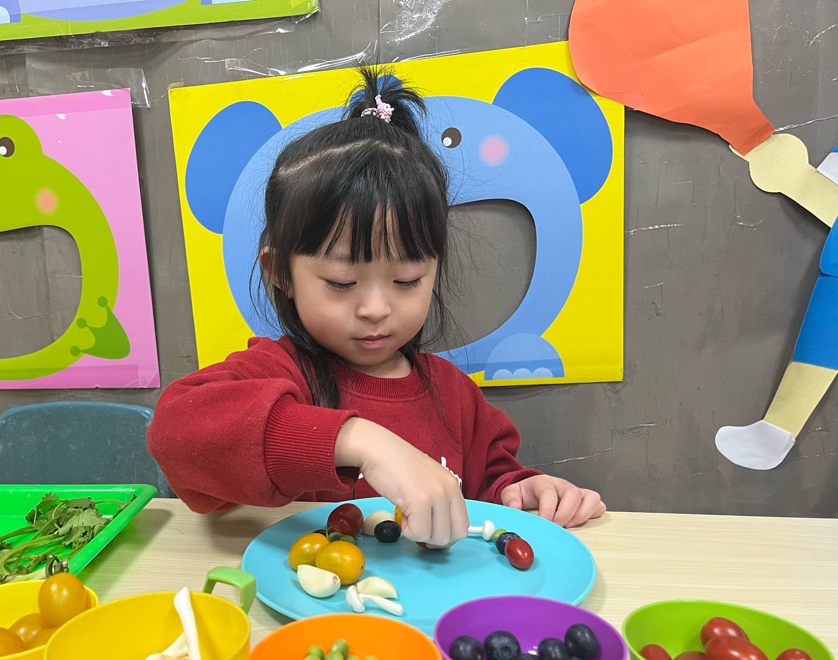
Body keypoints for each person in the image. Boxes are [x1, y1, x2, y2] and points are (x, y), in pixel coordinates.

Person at [148, 68, 606, 547]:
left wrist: (524, 491)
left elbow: (490, 491)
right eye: (341, 283)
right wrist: (359, 440)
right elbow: (174, 434)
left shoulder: (456, 397)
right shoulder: (277, 373)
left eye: (407, 280)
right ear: (279, 271)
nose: (374, 308)